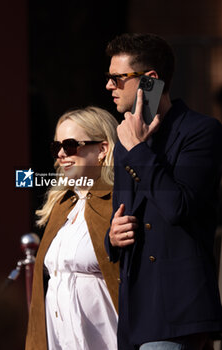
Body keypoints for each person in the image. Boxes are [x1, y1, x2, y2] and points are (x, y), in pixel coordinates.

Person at [104, 33, 222, 350]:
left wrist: (139, 149)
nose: (109, 86)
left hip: (178, 309)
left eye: (117, 78)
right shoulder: (125, 141)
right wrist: (112, 237)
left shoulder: (200, 131)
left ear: (149, 80)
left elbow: (179, 206)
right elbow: (123, 215)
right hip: (134, 312)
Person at [25, 106, 119, 350]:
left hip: (107, 339)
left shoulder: (120, 202)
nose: (61, 155)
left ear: (102, 149)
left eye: (70, 145)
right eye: (57, 147)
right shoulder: (62, 204)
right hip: (61, 339)